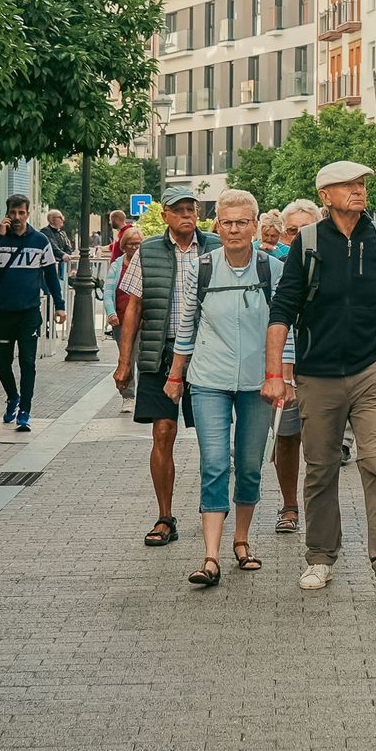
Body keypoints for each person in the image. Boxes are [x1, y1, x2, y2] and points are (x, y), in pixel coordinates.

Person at [265, 161, 376, 603]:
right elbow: (283, 309)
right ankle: (321, 555)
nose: (358, 191)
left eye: (361, 184)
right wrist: (275, 374)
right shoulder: (309, 242)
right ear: (326, 195)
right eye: (348, 185)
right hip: (317, 375)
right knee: (321, 468)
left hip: (371, 373)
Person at [164, 190, 290, 588]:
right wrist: (175, 374)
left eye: (242, 222)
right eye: (226, 222)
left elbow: (287, 330)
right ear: (217, 225)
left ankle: (242, 541)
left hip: (259, 383)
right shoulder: (201, 269)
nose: (234, 229)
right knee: (215, 462)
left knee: (250, 464)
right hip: (208, 380)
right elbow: (186, 327)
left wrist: (284, 375)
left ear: (255, 225)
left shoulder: (274, 270)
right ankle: (211, 556)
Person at [114, 186, 221, 548]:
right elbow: (134, 307)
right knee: (162, 433)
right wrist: (124, 361)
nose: (187, 215)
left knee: (213, 438)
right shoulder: (148, 251)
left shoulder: (216, 248)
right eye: (179, 210)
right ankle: (165, 517)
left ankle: (213, 513)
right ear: (166, 216)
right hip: (160, 355)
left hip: (206, 356)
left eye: (192, 209)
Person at [0, 194, 67, 432]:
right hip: (2, 312)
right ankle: (12, 398)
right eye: (13, 213)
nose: (17, 217)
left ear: (28, 214)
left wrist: (60, 305)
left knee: (28, 363)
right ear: (7, 214)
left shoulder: (40, 241)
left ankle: (25, 412)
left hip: (28, 313)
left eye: (22, 213)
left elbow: (50, 275)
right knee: (4, 364)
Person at [268, 198, 322, 536]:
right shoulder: (276, 266)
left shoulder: (332, 261)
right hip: (289, 366)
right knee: (286, 437)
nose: (299, 236)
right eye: (292, 230)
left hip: (324, 365)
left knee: (320, 441)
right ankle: (289, 505)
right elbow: (277, 320)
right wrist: (281, 372)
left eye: (306, 229)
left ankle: (318, 507)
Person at [104, 226, 143, 414]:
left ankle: (144, 396)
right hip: (121, 321)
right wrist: (111, 313)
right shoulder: (117, 266)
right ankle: (128, 397)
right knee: (126, 358)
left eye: (138, 244)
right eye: (131, 244)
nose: (135, 247)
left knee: (143, 359)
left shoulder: (146, 263)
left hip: (143, 322)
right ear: (124, 245)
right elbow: (108, 292)